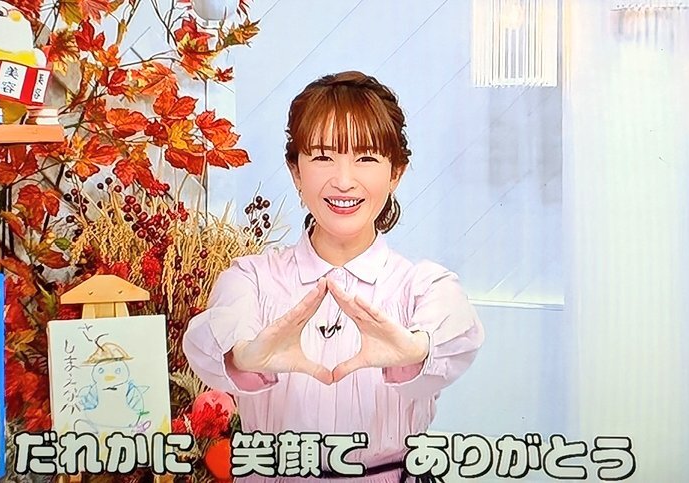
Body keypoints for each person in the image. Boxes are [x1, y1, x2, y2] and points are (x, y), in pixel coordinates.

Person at [182, 71, 485, 482]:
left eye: (366, 158)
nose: (343, 181)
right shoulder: (250, 279)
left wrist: (414, 352)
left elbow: (455, 339)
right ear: (296, 171)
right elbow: (212, 342)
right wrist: (244, 358)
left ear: (396, 173)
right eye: (323, 157)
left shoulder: (424, 287)